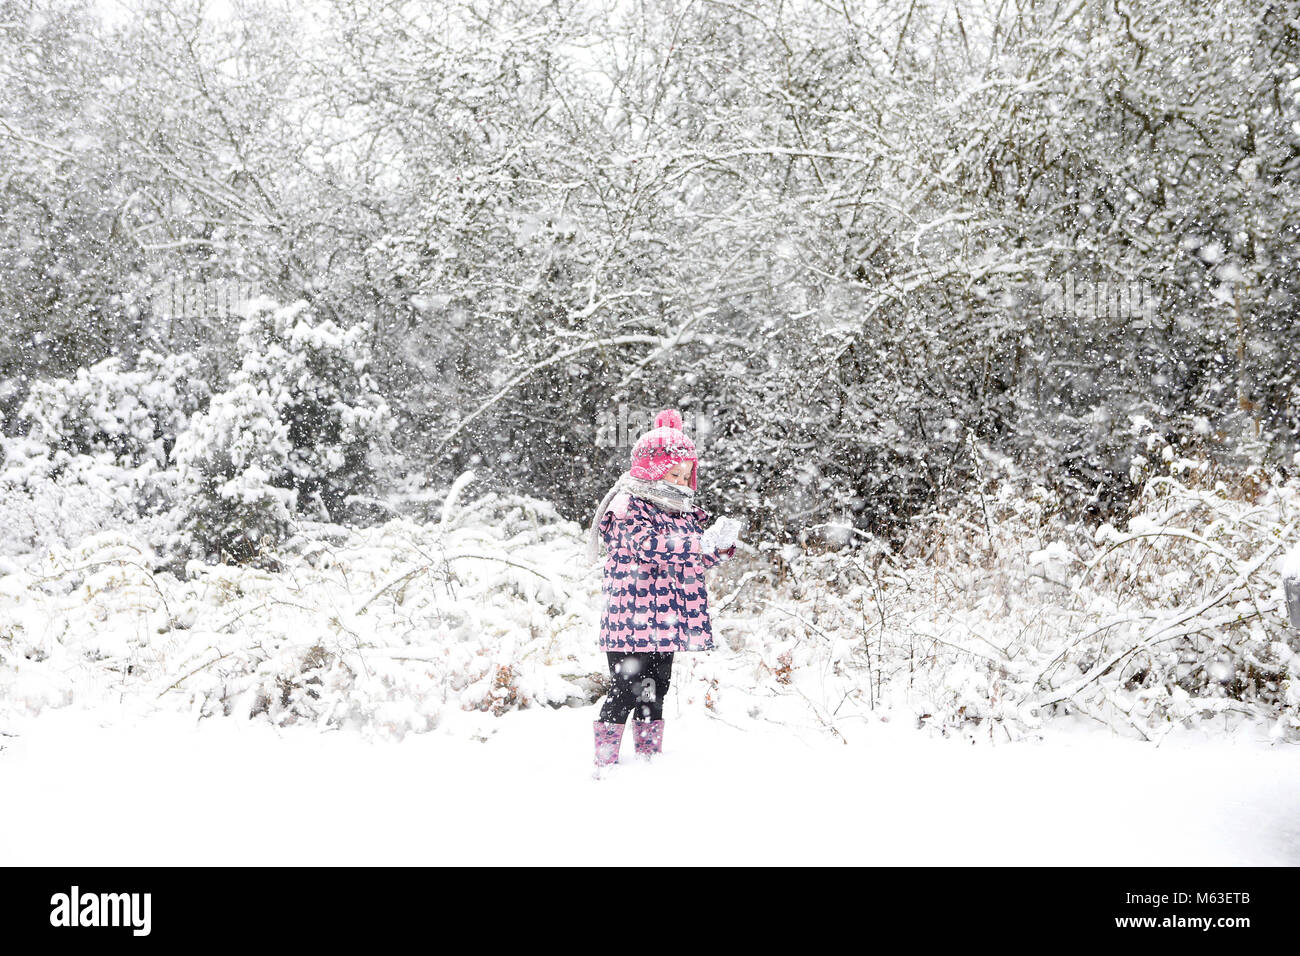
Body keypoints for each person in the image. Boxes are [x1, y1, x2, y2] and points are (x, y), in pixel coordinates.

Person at [585, 408, 741, 771]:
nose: (682, 480)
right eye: (674, 472)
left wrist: (715, 549)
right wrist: (695, 546)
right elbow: (648, 546)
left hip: (665, 618)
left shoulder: (682, 511)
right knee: (625, 689)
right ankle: (604, 763)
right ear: (653, 469)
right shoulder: (628, 505)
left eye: (687, 474)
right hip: (631, 618)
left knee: (655, 689)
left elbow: (688, 560)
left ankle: (648, 762)